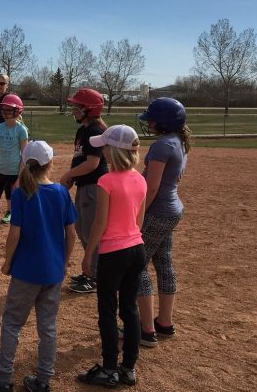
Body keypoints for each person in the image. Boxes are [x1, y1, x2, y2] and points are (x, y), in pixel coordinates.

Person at [0, 141, 77, 392]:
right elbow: (71, 234)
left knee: (12, 323)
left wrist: (7, 261)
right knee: (48, 327)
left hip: (26, 270)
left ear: (25, 163)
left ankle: (5, 379)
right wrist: (63, 262)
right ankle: (43, 380)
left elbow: (15, 233)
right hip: (52, 271)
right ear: (50, 163)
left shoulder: (22, 192)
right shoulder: (61, 192)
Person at [76, 125, 147, 388]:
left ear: (114, 151)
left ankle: (108, 368)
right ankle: (128, 368)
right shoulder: (140, 179)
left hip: (113, 253)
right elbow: (138, 221)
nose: (102, 149)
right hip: (136, 249)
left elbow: (99, 223)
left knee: (107, 311)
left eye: (105, 146)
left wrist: (88, 255)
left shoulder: (106, 180)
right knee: (129, 310)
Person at [135, 97, 192, 348]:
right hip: (172, 210)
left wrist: (137, 216)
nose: (149, 123)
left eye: (153, 119)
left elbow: (152, 186)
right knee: (163, 263)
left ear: (163, 122)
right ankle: (164, 323)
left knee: (136, 266)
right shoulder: (178, 140)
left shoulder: (161, 145)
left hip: (157, 211)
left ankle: (146, 330)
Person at [59, 88, 108, 294]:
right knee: (82, 230)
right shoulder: (83, 130)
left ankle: (94, 276)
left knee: (91, 233)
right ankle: (91, 272)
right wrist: (70, 180)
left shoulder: (95, 131)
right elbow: (78, 159)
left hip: (93, 188)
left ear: (89, 109)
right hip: (84, 186)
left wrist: (68, 176)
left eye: (78, 107)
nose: (74, 110)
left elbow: (92, 163)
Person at [0, 94, 28, 225]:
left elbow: (24, 155)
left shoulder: (21, 130)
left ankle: (19, 229)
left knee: (18, 201)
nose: (5, 113)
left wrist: (19, 178)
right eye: (3, 109)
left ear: (17, 111)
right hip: (0, 171)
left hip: (14, 172)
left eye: (9, 110)